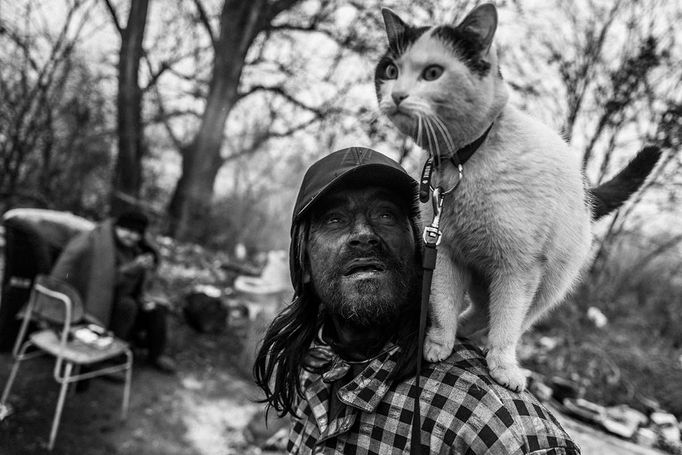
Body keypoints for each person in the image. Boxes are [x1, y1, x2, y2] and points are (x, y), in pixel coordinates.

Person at [254, 147, 580, 454]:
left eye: (386, 215)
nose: (364, 233)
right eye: (334, 219)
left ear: (419, 249)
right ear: (304, 261)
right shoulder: (314, 371)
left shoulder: (494, 421)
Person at [50, 209, 176, 374]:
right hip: (99, 305)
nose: (131, 236)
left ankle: (156, 355)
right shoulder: (101, 245)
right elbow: (103, 283)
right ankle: (108, 360)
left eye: (137, 233)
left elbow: (146, 281)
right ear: (117, 227)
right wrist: (132, 268)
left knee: (157, 309)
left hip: (132, 298)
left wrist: (145, 291)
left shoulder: (136, 249)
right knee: (127, 306)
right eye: (127, 230)